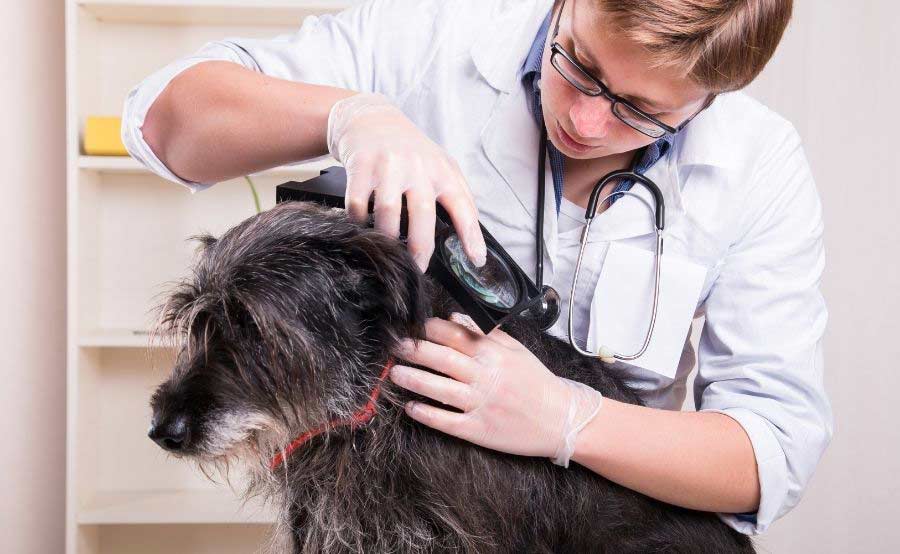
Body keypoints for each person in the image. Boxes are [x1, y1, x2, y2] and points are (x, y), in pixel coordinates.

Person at [122, 0, 832, 536]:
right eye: (579, 63)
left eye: (640, 111)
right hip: (387, 515)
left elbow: (770, 454)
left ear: (710, 98)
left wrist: (567, 420)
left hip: (603, 530)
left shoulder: (758, 166)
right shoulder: (434, 36)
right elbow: (164, 125)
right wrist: (352, 116)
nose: (585, 123)